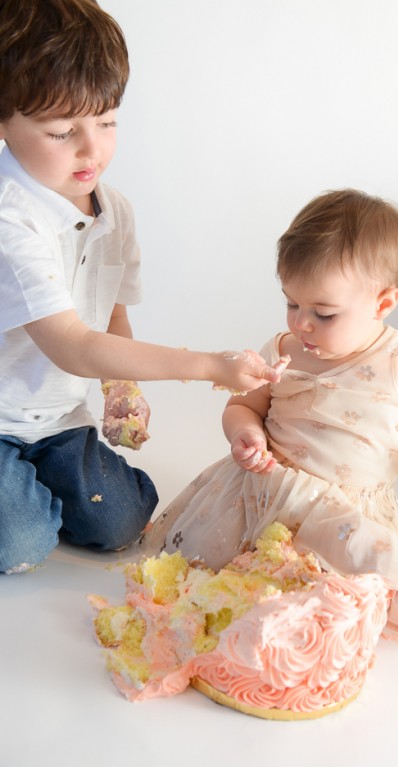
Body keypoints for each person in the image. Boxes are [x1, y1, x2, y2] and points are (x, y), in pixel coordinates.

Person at [0, 0, 281, 575]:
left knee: (124, 521)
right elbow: (73, 344)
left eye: (106, 121)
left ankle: (32, 483)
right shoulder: (9, 219)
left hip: (56, 420)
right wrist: (207, 365)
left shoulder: (115, 210)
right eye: (61, 131)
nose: (92, 149)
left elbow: (110, 317)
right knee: (22, 542)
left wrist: (121, 384)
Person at [143, 189, 398, 645]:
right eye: (292, 304)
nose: (301, 324)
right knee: (230, 580)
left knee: (336, 595)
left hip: (347, 512)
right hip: (266, 493)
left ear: (383, 304)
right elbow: (245, 405)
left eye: (323, 313)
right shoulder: (285, 353)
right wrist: (246, 435)